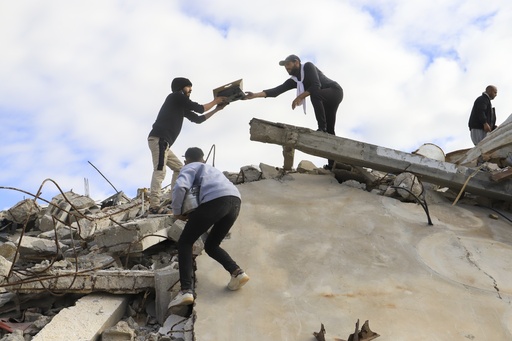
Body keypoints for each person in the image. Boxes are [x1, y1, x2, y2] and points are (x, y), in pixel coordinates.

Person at [168, 147, 249, 308]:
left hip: (214, 201)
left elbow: (180, 187)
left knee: (185, 242)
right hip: (235, 201)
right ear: (203, 158)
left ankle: (185, 291)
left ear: (187, 160)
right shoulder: (212, 170)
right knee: (212, 245)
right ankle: (237, 273)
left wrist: (177, 212)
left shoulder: (190, 167)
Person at [244, 54, 344, 169]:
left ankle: (322, 128)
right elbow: (276, 91)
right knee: (330, 132)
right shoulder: (295, 81)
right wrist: (255, 95)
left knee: (315, 94)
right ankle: (334, 165)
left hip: (335, 92)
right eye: (285, 66)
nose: (286, 67)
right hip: (324, 98)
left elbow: (316, 85)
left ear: (296, 62)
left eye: (288, 64)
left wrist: (299, 97)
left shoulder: (308, 67)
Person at [147, 77, 227, 214]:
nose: (191, 90)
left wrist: (217, 109)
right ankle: (154, 206)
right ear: (180, 87)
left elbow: (198, 119)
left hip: (164, 143)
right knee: (160, 170)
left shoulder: (180, 106)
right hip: (159, 138)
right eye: (189, 87)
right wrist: (216, 101)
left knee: (179, 169)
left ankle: (172, 201)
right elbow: (200, 109)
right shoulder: (175, 97)